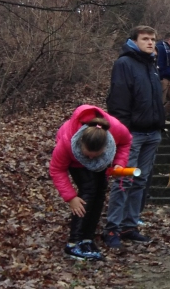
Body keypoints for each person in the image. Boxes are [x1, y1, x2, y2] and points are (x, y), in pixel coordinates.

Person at [104, 26, 164, 248]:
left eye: (153, 39)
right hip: (132, 135)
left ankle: (130, 225)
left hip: (151, 134)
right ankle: (112, 229)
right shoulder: (124, 64)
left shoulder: (151, 65)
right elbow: (118, 101)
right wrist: (124, 132)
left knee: (140, 180)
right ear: (134, 41)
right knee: (124, 180)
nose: (150, 43)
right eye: (145, 39)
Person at [50, 105, 132, 261]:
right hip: (75, 161)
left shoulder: (114, 128)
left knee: (100, 192)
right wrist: (71, 197)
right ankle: (73, 243)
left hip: (103, 162)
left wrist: (119, 163)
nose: (91, 158)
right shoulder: (67, 141)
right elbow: (56, 170)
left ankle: (88, 239)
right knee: (88, 191)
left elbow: (127, 141)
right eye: (89, 155)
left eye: (95, 155)